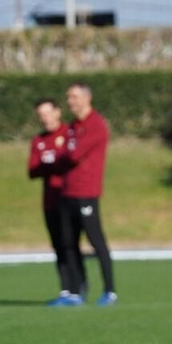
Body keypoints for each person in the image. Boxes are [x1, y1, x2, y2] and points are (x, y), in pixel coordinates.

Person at [62, 82, 117, 307]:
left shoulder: (95, 125)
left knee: (96, 241)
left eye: (73, 97)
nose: (69, 102)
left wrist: (63, 153)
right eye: (68, 97)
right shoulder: (73, 125)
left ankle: (110, 291)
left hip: (87, 193)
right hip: (68, 192)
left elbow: (72, 154)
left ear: (86, 98)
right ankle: (78, 290)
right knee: (69, 243)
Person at [28, 97, 82, 306]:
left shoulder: (70, 133)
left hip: (69, 198)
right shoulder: (38, 140)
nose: (44, 118)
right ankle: (66, 289)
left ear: (58, 112)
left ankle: (79, 285)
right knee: (58, 245)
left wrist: (51, 163)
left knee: (71, 244)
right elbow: (32, 170)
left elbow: (72, 161)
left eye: (47, 113)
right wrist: (53, 164)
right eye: (41, 115)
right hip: (49, 201)